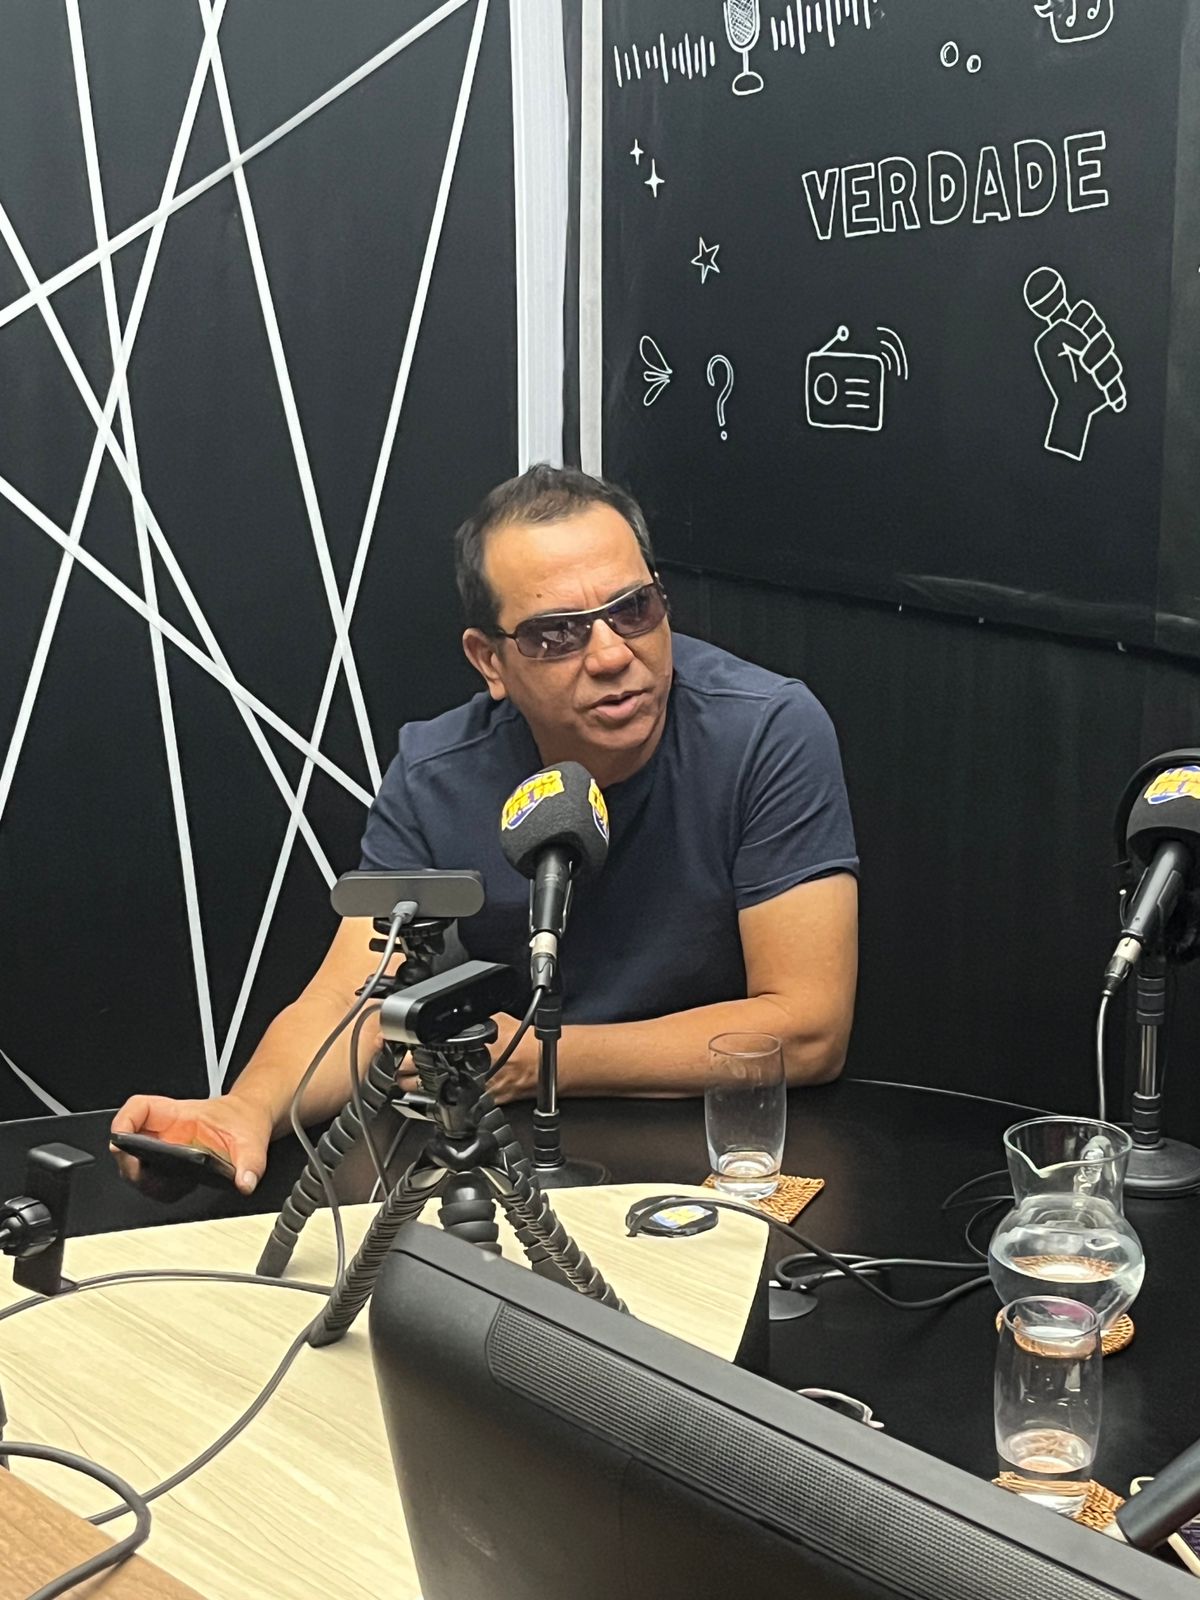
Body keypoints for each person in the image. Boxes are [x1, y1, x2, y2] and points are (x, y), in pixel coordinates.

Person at [112, 466, 858, 1195]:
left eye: (634, 610)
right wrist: (245, 1110)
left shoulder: (766, 731)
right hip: (505, 1149)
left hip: (719, 1145)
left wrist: (544, 1059)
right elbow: (353, 1000)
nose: (611, 655)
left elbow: (808, 1028)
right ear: (489, 661)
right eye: (556, 634)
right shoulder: (436, 772)